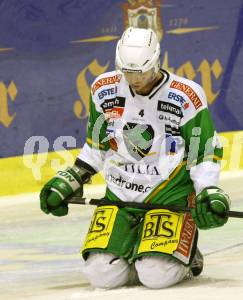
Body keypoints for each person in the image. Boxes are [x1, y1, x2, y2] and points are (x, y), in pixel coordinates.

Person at [39, 27, 230, 289]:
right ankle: (140, 247)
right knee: (100, 276)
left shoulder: (186, 95)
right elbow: (97, 145)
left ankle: (186, 255)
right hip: (120, 194)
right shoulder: (103, 90)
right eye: (127, 72)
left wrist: (208, 190)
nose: (133, 79)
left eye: (140, 72)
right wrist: (71, 179)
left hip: (169, 195)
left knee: (154, 276)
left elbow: (204, 150)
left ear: (156, 62)